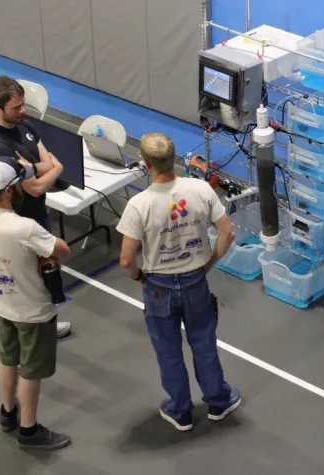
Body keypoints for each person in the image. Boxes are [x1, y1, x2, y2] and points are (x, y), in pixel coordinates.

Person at [116, 132, 241, 431]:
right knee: (204, 344)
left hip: (158, 288)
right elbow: (228, 232)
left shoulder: (139, 205)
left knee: (168, 351)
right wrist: (208, 263)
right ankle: (218, 402)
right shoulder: (200, 190)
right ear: (174, 158)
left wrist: (140, 277)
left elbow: (126, 259)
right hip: (196, 282)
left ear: (147, 165)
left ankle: (180, 410)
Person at [0, 156, 72, 450]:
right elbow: (62, 250)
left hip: (1, 302)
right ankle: (29, 429)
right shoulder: (24, 227)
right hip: (31, 308)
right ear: (9, 190)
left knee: (8, 357)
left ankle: (8, 411)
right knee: (32, 369)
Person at [0, 76, 72, 339]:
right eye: (16, 108)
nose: (23, 111)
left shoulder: (26, 125)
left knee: (47, 271)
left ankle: (45, 323)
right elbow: (34, 187)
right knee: (28, 279)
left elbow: (45, 160)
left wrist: (37, 168)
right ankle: (34, 329)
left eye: (23, 104)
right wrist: (54, 169)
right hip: (19, 222)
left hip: (39, 215)